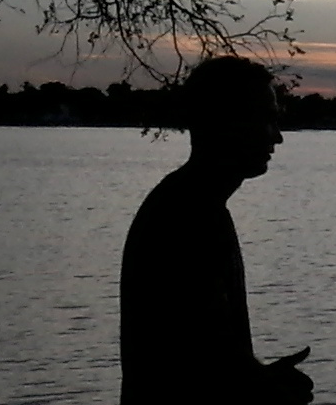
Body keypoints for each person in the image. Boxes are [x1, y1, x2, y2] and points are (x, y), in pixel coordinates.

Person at [119, 55, 313, 405]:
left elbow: (210, 351)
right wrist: (266, 388)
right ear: (229, 122)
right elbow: (198, 362)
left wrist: (264, 380)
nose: (278, 137)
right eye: (267, 120)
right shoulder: (184, 219)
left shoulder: (197, 208)